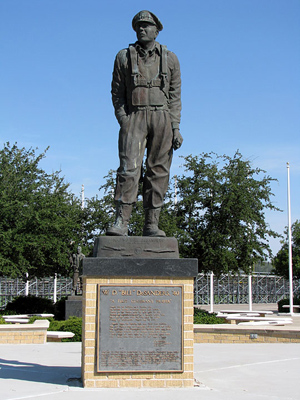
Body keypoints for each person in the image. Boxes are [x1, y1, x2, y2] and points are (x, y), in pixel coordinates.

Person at [107, 10, 182, 237]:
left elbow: (175, 96)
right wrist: (124, 121)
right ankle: (122, 221)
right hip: (135, 118)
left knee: (158, 171)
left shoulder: (170, 59)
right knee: (129, 169)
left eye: (147, 25)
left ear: (156, 30)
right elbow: (117, 93)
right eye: (139, 25)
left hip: (162, 119)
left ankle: (152, 223)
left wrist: (175, 128)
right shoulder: (124, 57)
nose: (142, 29)